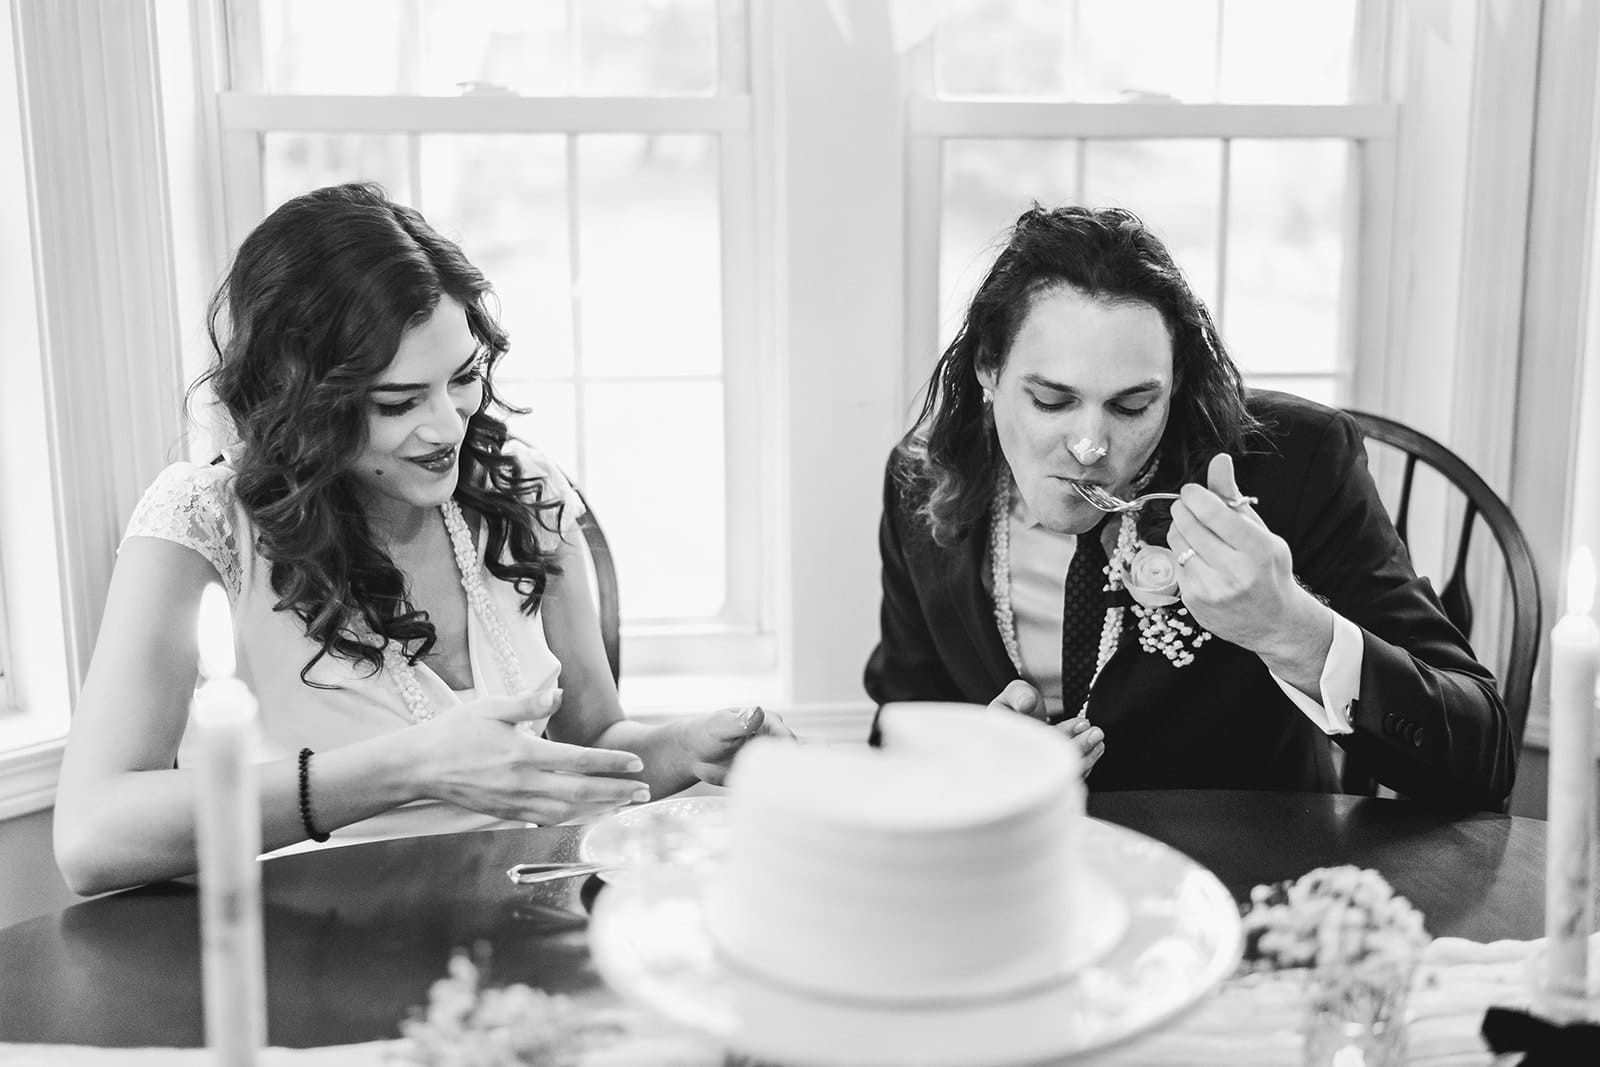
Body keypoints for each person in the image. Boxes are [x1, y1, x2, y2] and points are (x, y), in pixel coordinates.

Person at [54, 182, 791, 896]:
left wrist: (687, 745)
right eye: (400, 401)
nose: (449, 425)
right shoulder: (202, 522)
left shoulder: (522, 492)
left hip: (517, 930)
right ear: (301, 399)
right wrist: (409, 767)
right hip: (300, 957)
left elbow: (592, 740)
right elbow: (91, 837)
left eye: (463, 377)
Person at [864, 204, 1515, 811]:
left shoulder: (1301, 465)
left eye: (1131, 406)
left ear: (1175, 386)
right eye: (1053, 401)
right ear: (987, 367)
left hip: (1245, 879)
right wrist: (974, 765)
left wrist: (1290, 628)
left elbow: (1482, 758)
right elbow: (901, 731)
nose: (1090, 446)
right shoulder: (920, 482)